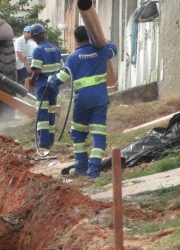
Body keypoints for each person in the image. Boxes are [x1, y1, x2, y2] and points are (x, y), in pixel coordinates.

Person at [51, 26, 117, 178]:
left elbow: (62, 77)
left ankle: (81, 166)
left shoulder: (73, 57)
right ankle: (93, 171)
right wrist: (102, 39)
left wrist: (51, 81)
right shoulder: (102, 51)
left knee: (78, 133)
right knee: (98, 135)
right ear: (90, 37)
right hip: (100, 100)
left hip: (82, 102)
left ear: (76, 39)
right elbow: (113, 49)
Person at [28, 23, 63, 149]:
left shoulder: (38, 50)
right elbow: (61, 68)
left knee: (42, 114)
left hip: (42, 86)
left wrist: (31, 81)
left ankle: (44, 143)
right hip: (54, 85)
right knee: (51, 112)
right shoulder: (56, 49)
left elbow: (36, 70)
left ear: (35, 37)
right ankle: (51, 141)